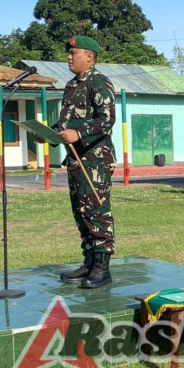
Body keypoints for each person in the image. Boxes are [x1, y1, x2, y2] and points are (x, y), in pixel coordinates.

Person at [50, 36, 118, 288]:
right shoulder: (70, 86)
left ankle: (103, 268)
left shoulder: (99, 83)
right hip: (75, 159)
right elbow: (67, 122)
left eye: (73, 53)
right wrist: (50, 132)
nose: (68, 57)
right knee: (81, 212)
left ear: (89, 57)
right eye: (68, 53)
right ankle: (89, 261)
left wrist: (78, 134)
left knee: (97, 210)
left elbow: (107, 121)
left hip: (95, 160)